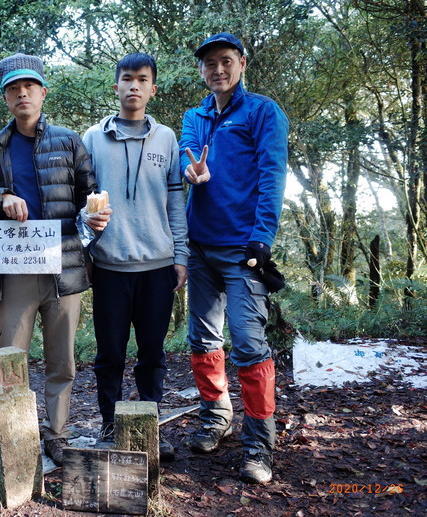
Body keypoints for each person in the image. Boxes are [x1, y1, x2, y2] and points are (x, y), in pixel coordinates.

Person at [0, 53, 111, 466]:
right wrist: (0, 197)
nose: (22, 93)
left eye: (29, 86)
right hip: (13, 270)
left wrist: (97, 214)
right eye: (13, 88)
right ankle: (10, 435)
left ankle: (57, 434)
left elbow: (90, 192)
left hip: (64, 266)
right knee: (8, 356)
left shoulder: (68, 141)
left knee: (62, 359)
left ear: (43, 92)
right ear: (5, 98)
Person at [179, 33, 289, 484]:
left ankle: (259, 445)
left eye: (226, 61)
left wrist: (263, 236)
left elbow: (272, 173)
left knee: (248, 344)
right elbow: (188, 160)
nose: (218, 69)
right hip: (199, 247)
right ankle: (216, 416)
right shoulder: (195, 115)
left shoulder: (263, 111)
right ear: (203, 71)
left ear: (242, 63)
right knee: (203, 339)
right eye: (210, 64)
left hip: (244, 251)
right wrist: (192, 172)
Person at [82, 53, 188, 459]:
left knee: (152, 354)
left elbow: (175, 203)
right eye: (127, 79)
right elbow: (84, 200)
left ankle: (149, 429)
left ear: (152, 89)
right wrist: (87, 252)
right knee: (110, 353)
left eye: (142, 80)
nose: (134, 86)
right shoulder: (93, 137)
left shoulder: (167, 139)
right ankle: (110, 426)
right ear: (116, 86)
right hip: (109, 265)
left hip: (158, 265)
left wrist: (181, 255)